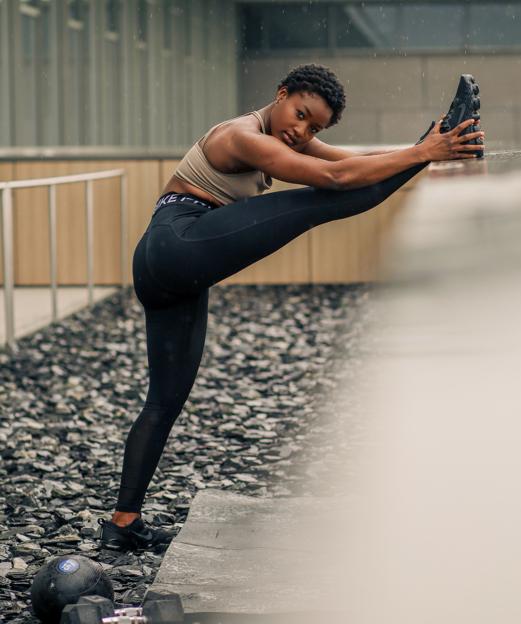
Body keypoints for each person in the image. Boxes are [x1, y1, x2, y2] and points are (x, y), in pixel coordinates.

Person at [97, 63, 486, 552]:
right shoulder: (242, 136)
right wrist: (427, 151)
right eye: (300, 115)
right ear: (281, 95)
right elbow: (337, 177)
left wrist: (422, 148)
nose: (302, 131)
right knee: (318, 202)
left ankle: (123, 523)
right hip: (179, 241)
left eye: (314, 128)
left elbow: (354, 164)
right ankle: (441, 144)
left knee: (164, 403)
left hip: (170, 269)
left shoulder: (288, 136)